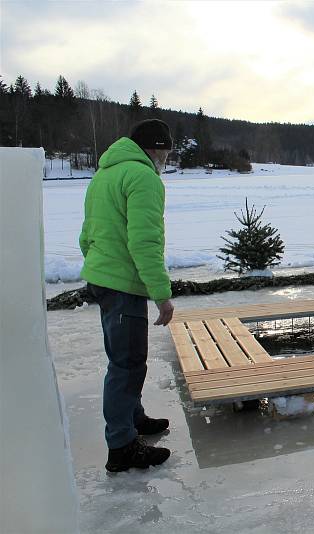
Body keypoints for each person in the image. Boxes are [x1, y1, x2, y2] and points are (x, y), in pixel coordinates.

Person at [79, 119, 175, 472]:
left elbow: (86, 233)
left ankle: (133, 418)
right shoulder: (143, 177)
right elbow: (144, 242)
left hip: (104, 279)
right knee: (127, 363)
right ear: (156, 147)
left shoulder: (104, 174)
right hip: (122, 283)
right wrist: (161, 294)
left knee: (123, 358)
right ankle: (121, 445)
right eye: (166, 149)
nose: (166, 157)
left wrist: (98, 267)